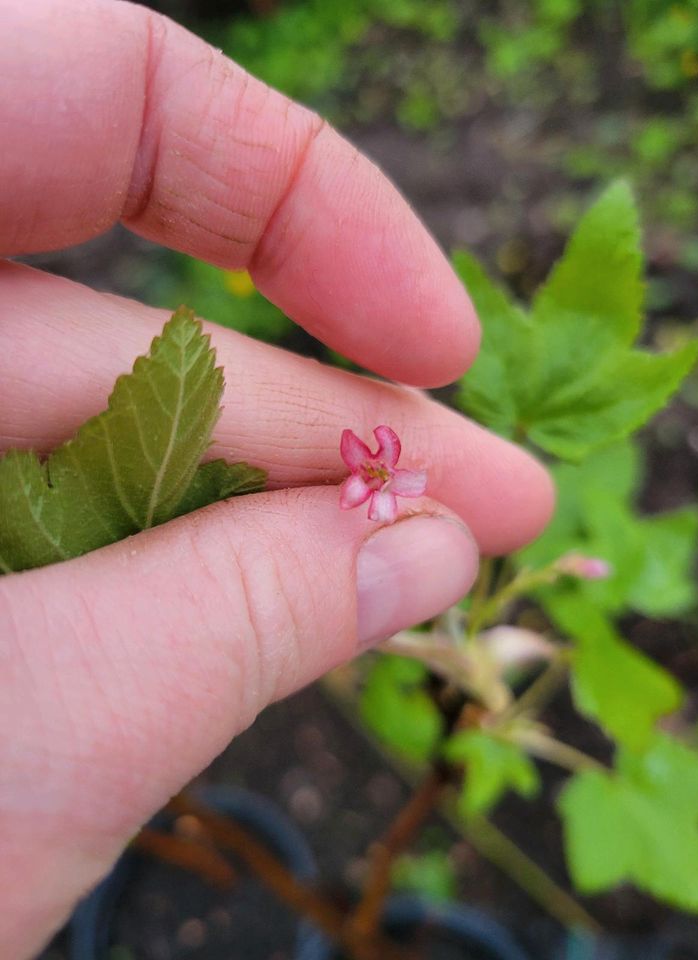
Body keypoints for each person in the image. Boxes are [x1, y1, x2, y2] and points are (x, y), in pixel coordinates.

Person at [0, 1, 554, 955]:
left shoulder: (374, 477)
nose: (381, 474)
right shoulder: (369, 484)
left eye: (384, 474)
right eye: (379, 472)